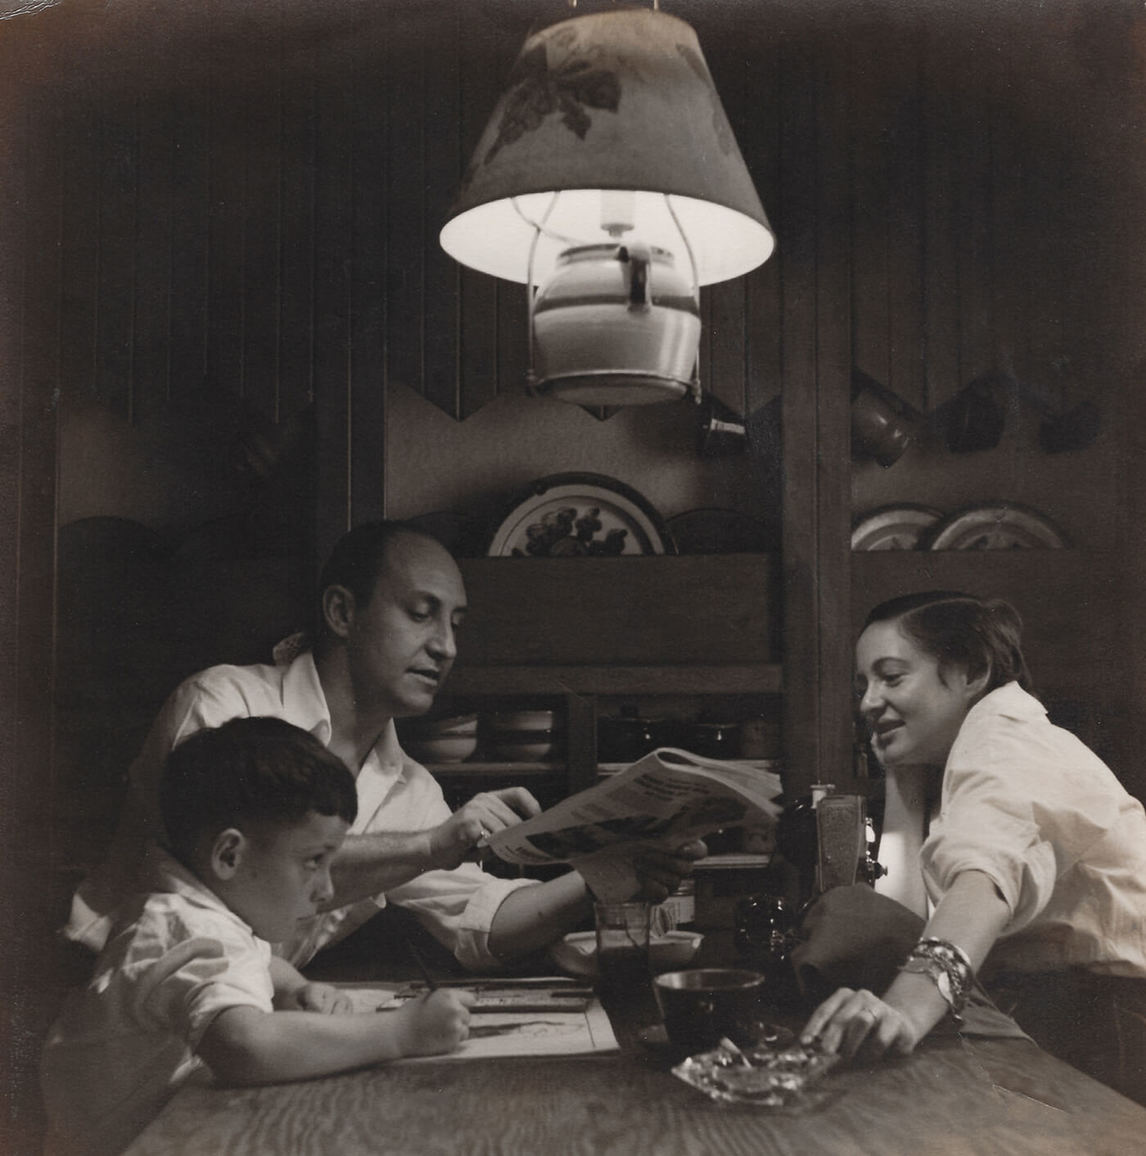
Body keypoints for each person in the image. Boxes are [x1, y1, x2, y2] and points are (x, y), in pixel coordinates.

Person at [64, 519, 704, 971]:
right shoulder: (223, 702)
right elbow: (236, 868)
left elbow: (481, 926)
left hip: (244, 1022)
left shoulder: (411, 789)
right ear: (342, 613)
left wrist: (597, 876)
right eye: (421, 613)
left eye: (455, 624)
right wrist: (428, 847)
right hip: (112, 1000)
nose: (447, 646)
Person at [42, 718, 474, 1156]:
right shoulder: (188, 929)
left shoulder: (186, 912)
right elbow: (244, 1046)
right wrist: (400, 1032)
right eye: (314, 861)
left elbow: (255, 959)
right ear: (229, 855)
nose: (327, 889)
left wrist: (296, 988)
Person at [801, 591, 1146, 1103]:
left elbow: (982, 883)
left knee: (845, 916)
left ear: (971, 672)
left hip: (1108, 1032)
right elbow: (899, 918)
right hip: (1067, 1015)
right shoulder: (978, 749)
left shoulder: (1004, 746)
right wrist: (900, 779)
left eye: (891, 677)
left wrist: (904, 1010)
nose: (868, 702)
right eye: (863, 685)